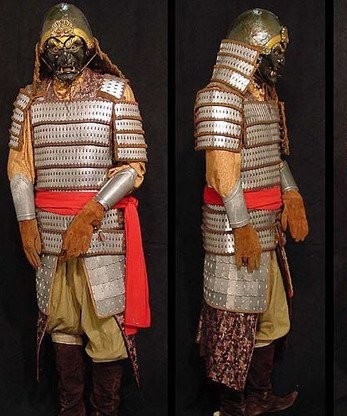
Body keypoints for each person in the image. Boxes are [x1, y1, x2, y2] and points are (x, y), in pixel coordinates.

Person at [8, 3, 150, 415]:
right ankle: (72, 410)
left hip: (101, 233)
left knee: (105, 328)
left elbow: (134, 166)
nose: (64, 52)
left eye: (73, 43)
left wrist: (91, 212)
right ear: (42, 51)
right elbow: (20, 167)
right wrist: (26, 221)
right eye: (54, 45)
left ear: (89, 47)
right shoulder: (29, 100)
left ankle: (105, 410)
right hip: (50, 233)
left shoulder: (115, 92)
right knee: (62, 323)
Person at [194, 8, 309, 416]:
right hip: (234, 230)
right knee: (233, 320)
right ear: (253, 52)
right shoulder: (220, 97)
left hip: (266, 227)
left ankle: (258, 398)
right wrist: (241, 226)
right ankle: (232, 404)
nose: (280, 61)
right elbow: (223, 173)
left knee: (270, 315)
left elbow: (273, 157)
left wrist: (291, 193)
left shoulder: (265, 96)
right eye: (275, 52)